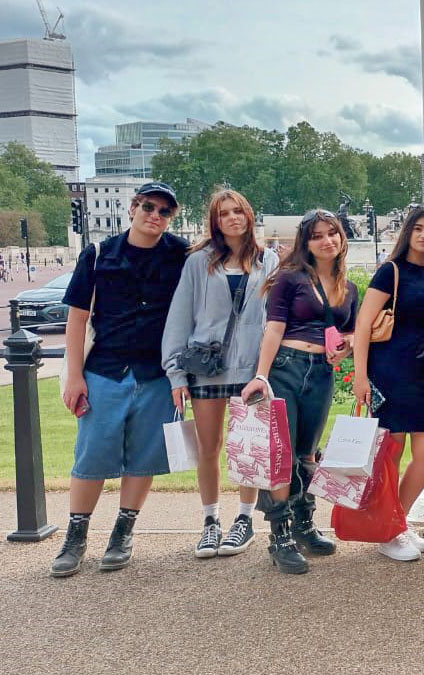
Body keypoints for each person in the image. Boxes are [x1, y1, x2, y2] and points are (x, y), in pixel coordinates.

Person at [51, 181, 189, 577]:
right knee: (91, 455)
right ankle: (75, 538)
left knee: (143, 457)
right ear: (133, 208)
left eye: (164, 211)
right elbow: (77, 319)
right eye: (149, 207)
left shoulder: (181, 254)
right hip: (105, 370)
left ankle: (123, 532)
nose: (155, 216)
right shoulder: (98, 255)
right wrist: (74, 375)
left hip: (156, 373)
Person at [162, 189, 279, 558]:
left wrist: (265, 371)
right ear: (215, 221)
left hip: (250, 370)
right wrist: (176, 375)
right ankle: (210, 521)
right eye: (224, 213)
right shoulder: (199, 262)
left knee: (248, 449)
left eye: (238, 211)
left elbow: (274, 319)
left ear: (249, 215)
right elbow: (180, 317)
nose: (232, 218)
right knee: (208, 448)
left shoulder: (268, 260)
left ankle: (244, 519)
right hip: (207, 368)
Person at [240, 209, 357, 574]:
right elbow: (273, 329)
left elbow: (351, 331)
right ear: (306, 243)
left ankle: (305, 524)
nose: (327, 241)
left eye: (332, 233)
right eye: (318, 235)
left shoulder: (347, 287)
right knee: (280, 455)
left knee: (307, 455)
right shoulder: (291, 279)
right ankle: (281, 536)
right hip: (286, 369)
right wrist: (261, 375)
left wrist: (348, 344)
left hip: (321, 373)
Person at [351, 205, 424, 562]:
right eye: (419, 228)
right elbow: (363, 325)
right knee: (391, 455)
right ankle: (387, 530)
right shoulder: (389, 271)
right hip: (391, 371)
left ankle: (397, 521)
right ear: (407, 231)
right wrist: (360, 377)